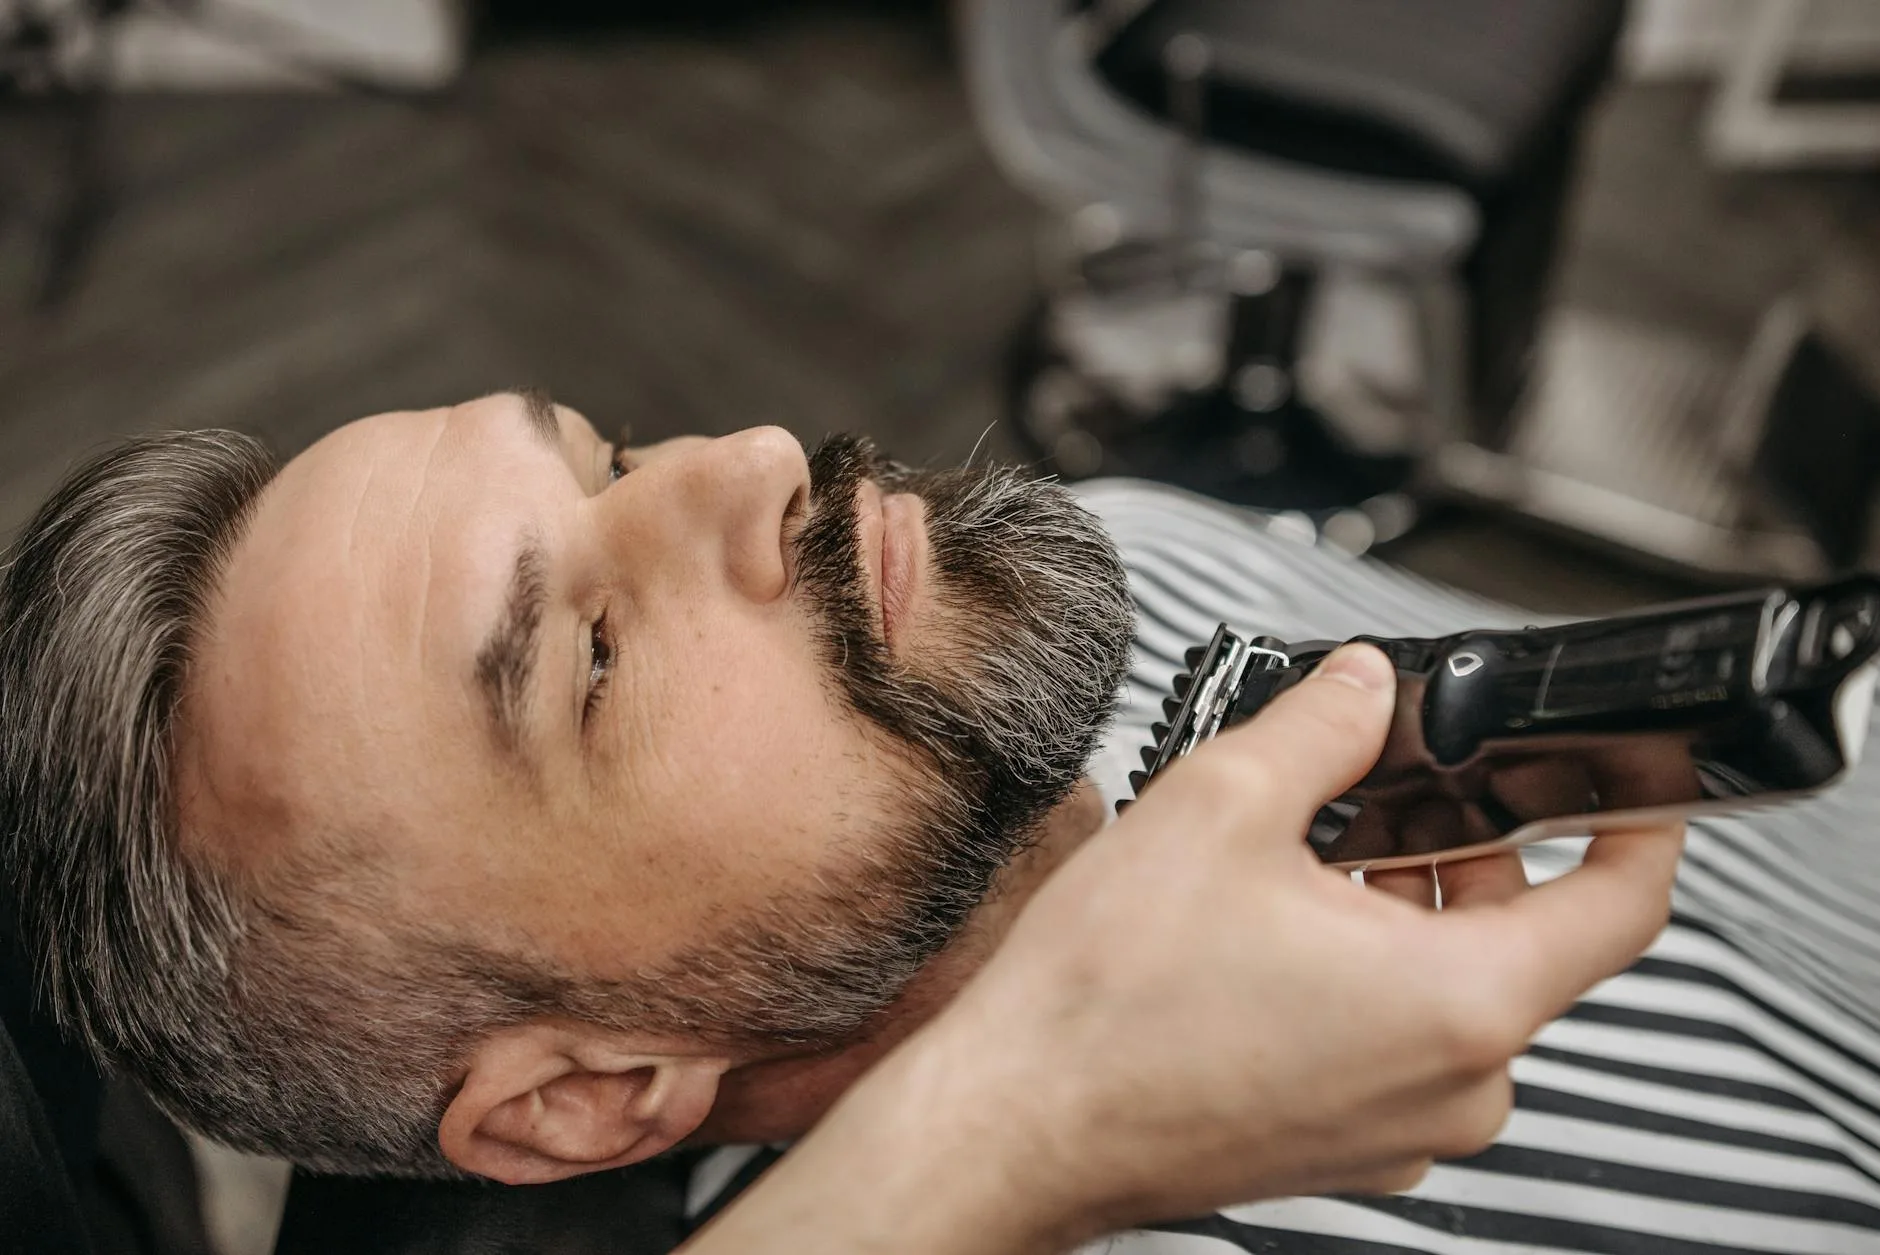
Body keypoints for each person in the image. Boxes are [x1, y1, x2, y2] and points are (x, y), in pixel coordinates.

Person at [0, 391, 1873, 1252]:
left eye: (615, 458)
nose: (754, 465)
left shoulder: (1113, 551)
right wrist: (1030, 1126)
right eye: (586, 654)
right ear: (588, 1095)